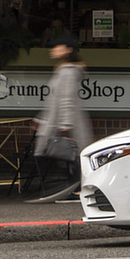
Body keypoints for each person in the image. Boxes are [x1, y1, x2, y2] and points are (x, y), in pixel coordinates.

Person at [28, 32, 93, 202]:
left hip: (66, 123)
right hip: (56, 122)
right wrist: (41, 120)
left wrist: (65, 125)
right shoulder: (63, 70)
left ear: (67, 50)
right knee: (64, 156)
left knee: (68, 155)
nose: (53, 49)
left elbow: (67, 100)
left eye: (57, 46)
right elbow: (55, 100)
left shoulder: (69, 72)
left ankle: (75, 191)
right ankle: (66, 190)